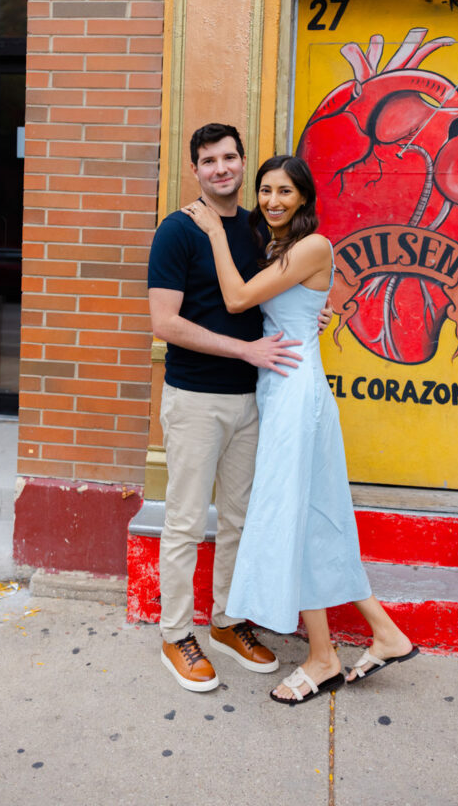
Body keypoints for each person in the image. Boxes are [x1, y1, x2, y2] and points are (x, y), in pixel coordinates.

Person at [183, 155, 418, 704]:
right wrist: (312, 310)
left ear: (305, 198)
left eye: (284, 192)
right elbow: (281, 306)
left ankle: (322, 656)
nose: (271, 201)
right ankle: (384, 634)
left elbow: (239, 297)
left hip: (296, 393)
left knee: (295, 517)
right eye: (264, 191)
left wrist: (216, 231)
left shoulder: (312, 245)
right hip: (282, 388)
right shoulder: (283, 248)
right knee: (311, 516)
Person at [148, 124, 330, 693]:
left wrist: (317, 316)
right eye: (209, 160)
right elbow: (165, 323)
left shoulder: (260, 227)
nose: (221, 168)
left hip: (255, 399)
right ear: (196, 170)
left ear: (242, 161)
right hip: (196, 398)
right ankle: (176, 632)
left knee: (239, 521)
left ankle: (227, 619)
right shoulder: (177, 231)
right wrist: (243, 348)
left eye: (230, 157)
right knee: (183, 521)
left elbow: (283, 293)